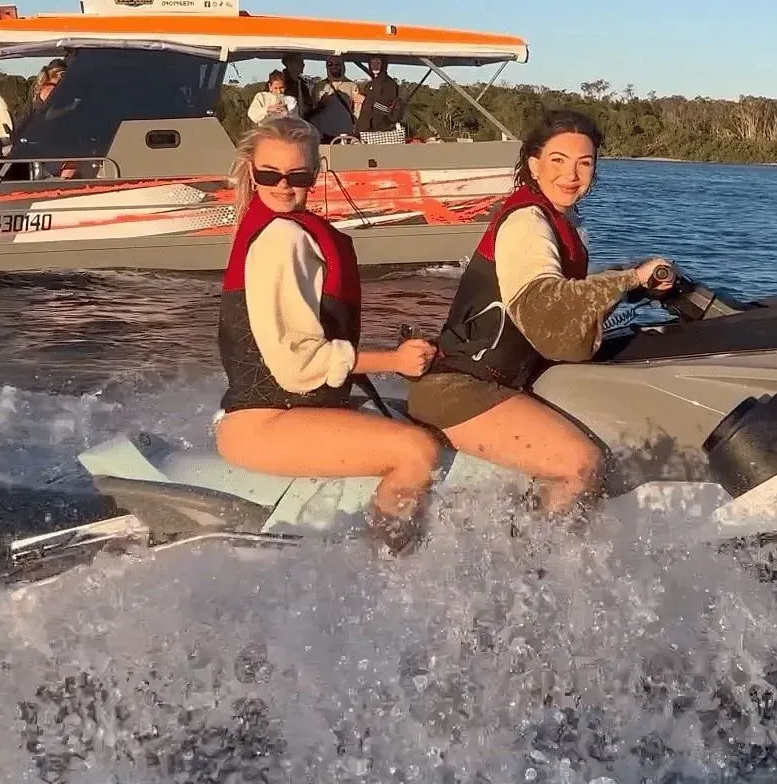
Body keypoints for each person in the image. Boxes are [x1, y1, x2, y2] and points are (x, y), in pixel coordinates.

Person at [407, 109, 675, 518]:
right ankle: (540, 575)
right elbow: (546, 308)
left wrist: (633, 289)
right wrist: (628, 279)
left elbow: (564, 313)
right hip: (463, 389)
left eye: (584, 163)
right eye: (558, 161)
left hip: (496, 385)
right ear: (533, 165)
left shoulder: (552, 218)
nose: (571, 174)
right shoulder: (527, 221)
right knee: (580, 464)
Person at [216, 114, 442, 552]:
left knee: (413, 415)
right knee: (415, 450)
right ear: (251, 172)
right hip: (266, 422)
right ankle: (392, 574)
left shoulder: (279, 228)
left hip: (283, 410)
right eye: (269, 174)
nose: (283, 185)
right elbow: (299, 361)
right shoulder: (283, 238)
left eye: (297, 175)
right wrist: (394, 361)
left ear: (314, 174)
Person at [356, 56, 402, 133]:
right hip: (365, 131)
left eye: (378, 63)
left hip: (382, 131)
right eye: (372, 63)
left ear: (383, 65)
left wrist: (365, 100)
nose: (375, 66)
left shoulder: (390, 84)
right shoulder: (369, 85)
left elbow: (386, 109)